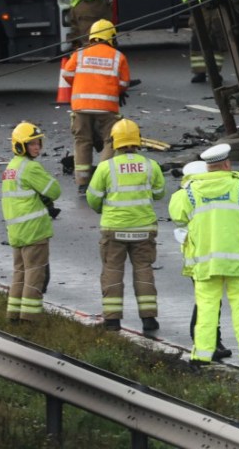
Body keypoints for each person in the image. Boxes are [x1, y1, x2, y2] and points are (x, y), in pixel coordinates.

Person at [168, 143, 239, 365]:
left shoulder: (189, 191)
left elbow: (178, 217)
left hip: (205, 260)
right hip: (238, 260)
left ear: (208, 166)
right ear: (227, 164)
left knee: (206, 308)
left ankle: (202, 355)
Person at [86, 119, 166, 332]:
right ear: (138, 140)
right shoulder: (151, 166)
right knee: (143, 270)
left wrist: (104, 210)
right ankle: (149, 318)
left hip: (114, 229)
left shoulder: (105, 168)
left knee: (112, 270)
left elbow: (93, 199)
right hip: (143, 229)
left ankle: (112, 320)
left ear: (114, 142)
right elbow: (159, 194)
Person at [1, 122, 61, 321]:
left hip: (17, 232)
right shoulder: (30, 167)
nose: (37, 147)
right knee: (35, 277)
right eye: (32, 144)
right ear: (20, 146)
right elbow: (55, 191)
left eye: (38, 143)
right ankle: (30, 319)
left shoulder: (11, 167)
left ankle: (13, 315)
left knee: (19, 274)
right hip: (34, 232)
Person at [62, 19, 130, 194]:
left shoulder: (80, 53)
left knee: (82, 140)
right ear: (111, 37)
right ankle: (101, 180)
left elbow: (67, 74)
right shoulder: (118, 56)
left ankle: (83, 183)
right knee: (110, 141)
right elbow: (123, 83)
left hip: (81, 105)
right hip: (107, 107)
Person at [178, 160, 231, 361]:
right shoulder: (195, 197)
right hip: (202, 258)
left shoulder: (188, 196)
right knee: (207, 301)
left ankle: (213, 340)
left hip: (202, 257)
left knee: (210, 301)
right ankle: (205, 342)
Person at [178, 0, 226, 84]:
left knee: (216, 35)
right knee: (198, 36)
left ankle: (214, 71)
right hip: (199, 1)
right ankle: (200, 71)